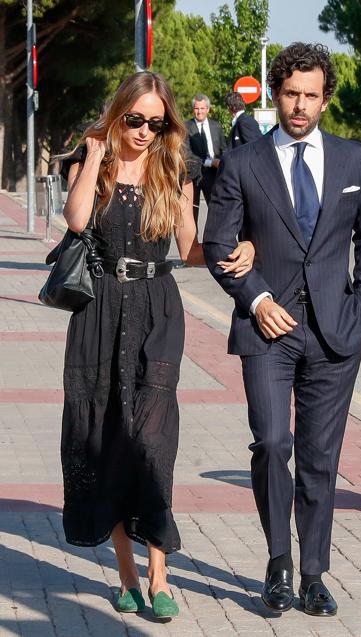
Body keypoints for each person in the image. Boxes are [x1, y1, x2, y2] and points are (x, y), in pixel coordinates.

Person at [59, 71, 255, 620]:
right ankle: (125, 576)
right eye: (135, 119)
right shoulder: (88, 162)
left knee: (151, 442)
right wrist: (97, 154)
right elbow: (75, 222)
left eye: (157, 121)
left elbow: (190, 247)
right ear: (118, 112)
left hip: (156, 309)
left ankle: (160, 576)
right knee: (109, 440)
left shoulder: (175, 168)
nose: (146, 131)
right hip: (98, 311)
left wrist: (240, 247)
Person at [203, 43, 361, 618]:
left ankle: (313, 574)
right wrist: (255, 297)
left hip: (336, 333)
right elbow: (217, 245)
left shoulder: (354, 160)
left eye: (311, 95)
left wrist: (360, 310)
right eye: (290, 94)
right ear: (275, 94)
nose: (300, 105)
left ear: (325, 100)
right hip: (267, 331)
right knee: (272, 443)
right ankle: (276, 564)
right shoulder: (242, 162)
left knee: (319, 457)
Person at [184, 93, 227, 224]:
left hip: (214, 175)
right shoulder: (185, 127)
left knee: (216, 210)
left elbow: (223, 148)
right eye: (197, 108)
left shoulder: (216, 126)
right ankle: (193, 242)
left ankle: (216, 241)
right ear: (193, 109)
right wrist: (209, 162)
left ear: (208, 109)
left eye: (202, 108)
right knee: (192, 212)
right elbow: (187, 153)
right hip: (194, 176)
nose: (199, 111)